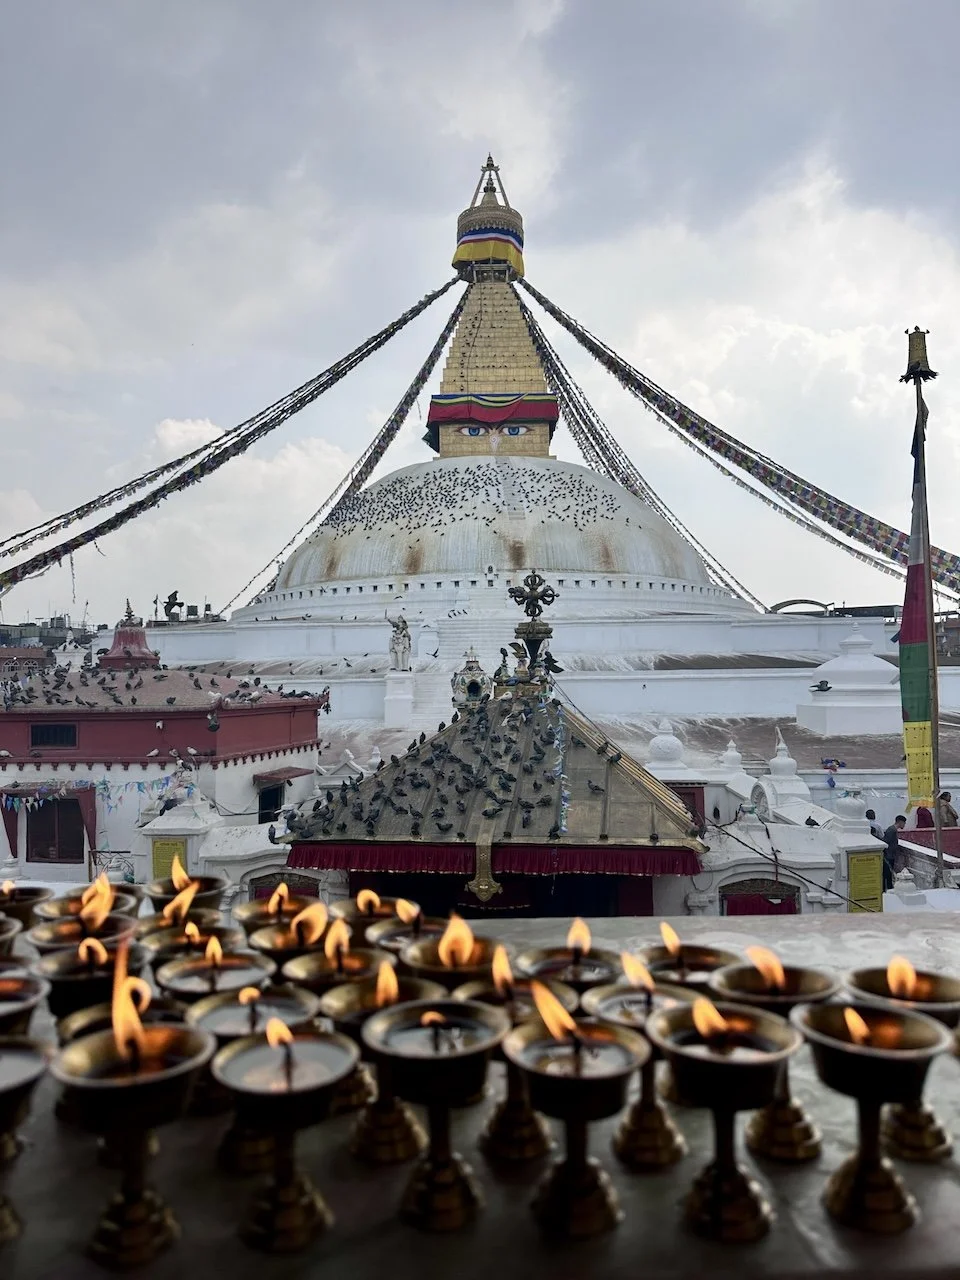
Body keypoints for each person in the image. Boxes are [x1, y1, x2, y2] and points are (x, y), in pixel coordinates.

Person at [882, 815, 907, 890]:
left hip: (890, 855)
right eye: (904, 823)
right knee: (887, 875)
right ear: (900, 822)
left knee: (888, 875)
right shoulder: (891, 830)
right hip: (888, 856)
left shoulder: (892, 830)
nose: (904, 825)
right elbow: (886, 842)